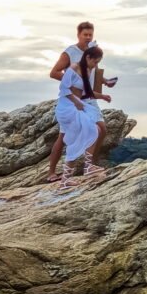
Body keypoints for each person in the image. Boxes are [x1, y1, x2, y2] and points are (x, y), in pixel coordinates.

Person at [46, 21, 115, 182]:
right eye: (85, 34)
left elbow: (92, 72)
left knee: (101, 129)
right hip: (74, 99)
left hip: (89, 98)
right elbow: (54, 72)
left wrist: (105, 82)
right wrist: (73, 81)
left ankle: (90, 165)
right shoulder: (70, 52)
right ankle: (51, 172)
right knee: (63, 137)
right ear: (78, 35)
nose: (88, 37)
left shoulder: (92, 52)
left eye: (90, 34)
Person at [54, 45, 110, 189]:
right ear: (87, 57)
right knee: (88, 133)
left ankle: (76, 173)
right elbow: (64, 89)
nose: (96, 65)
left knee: (92, 131)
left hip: (77, 106)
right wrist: (75, 102)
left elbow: (87, 92)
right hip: (67, 108)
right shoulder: (73, 68)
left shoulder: (88, 70)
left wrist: (103, 96)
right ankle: (77, 173)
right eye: (95, 62)